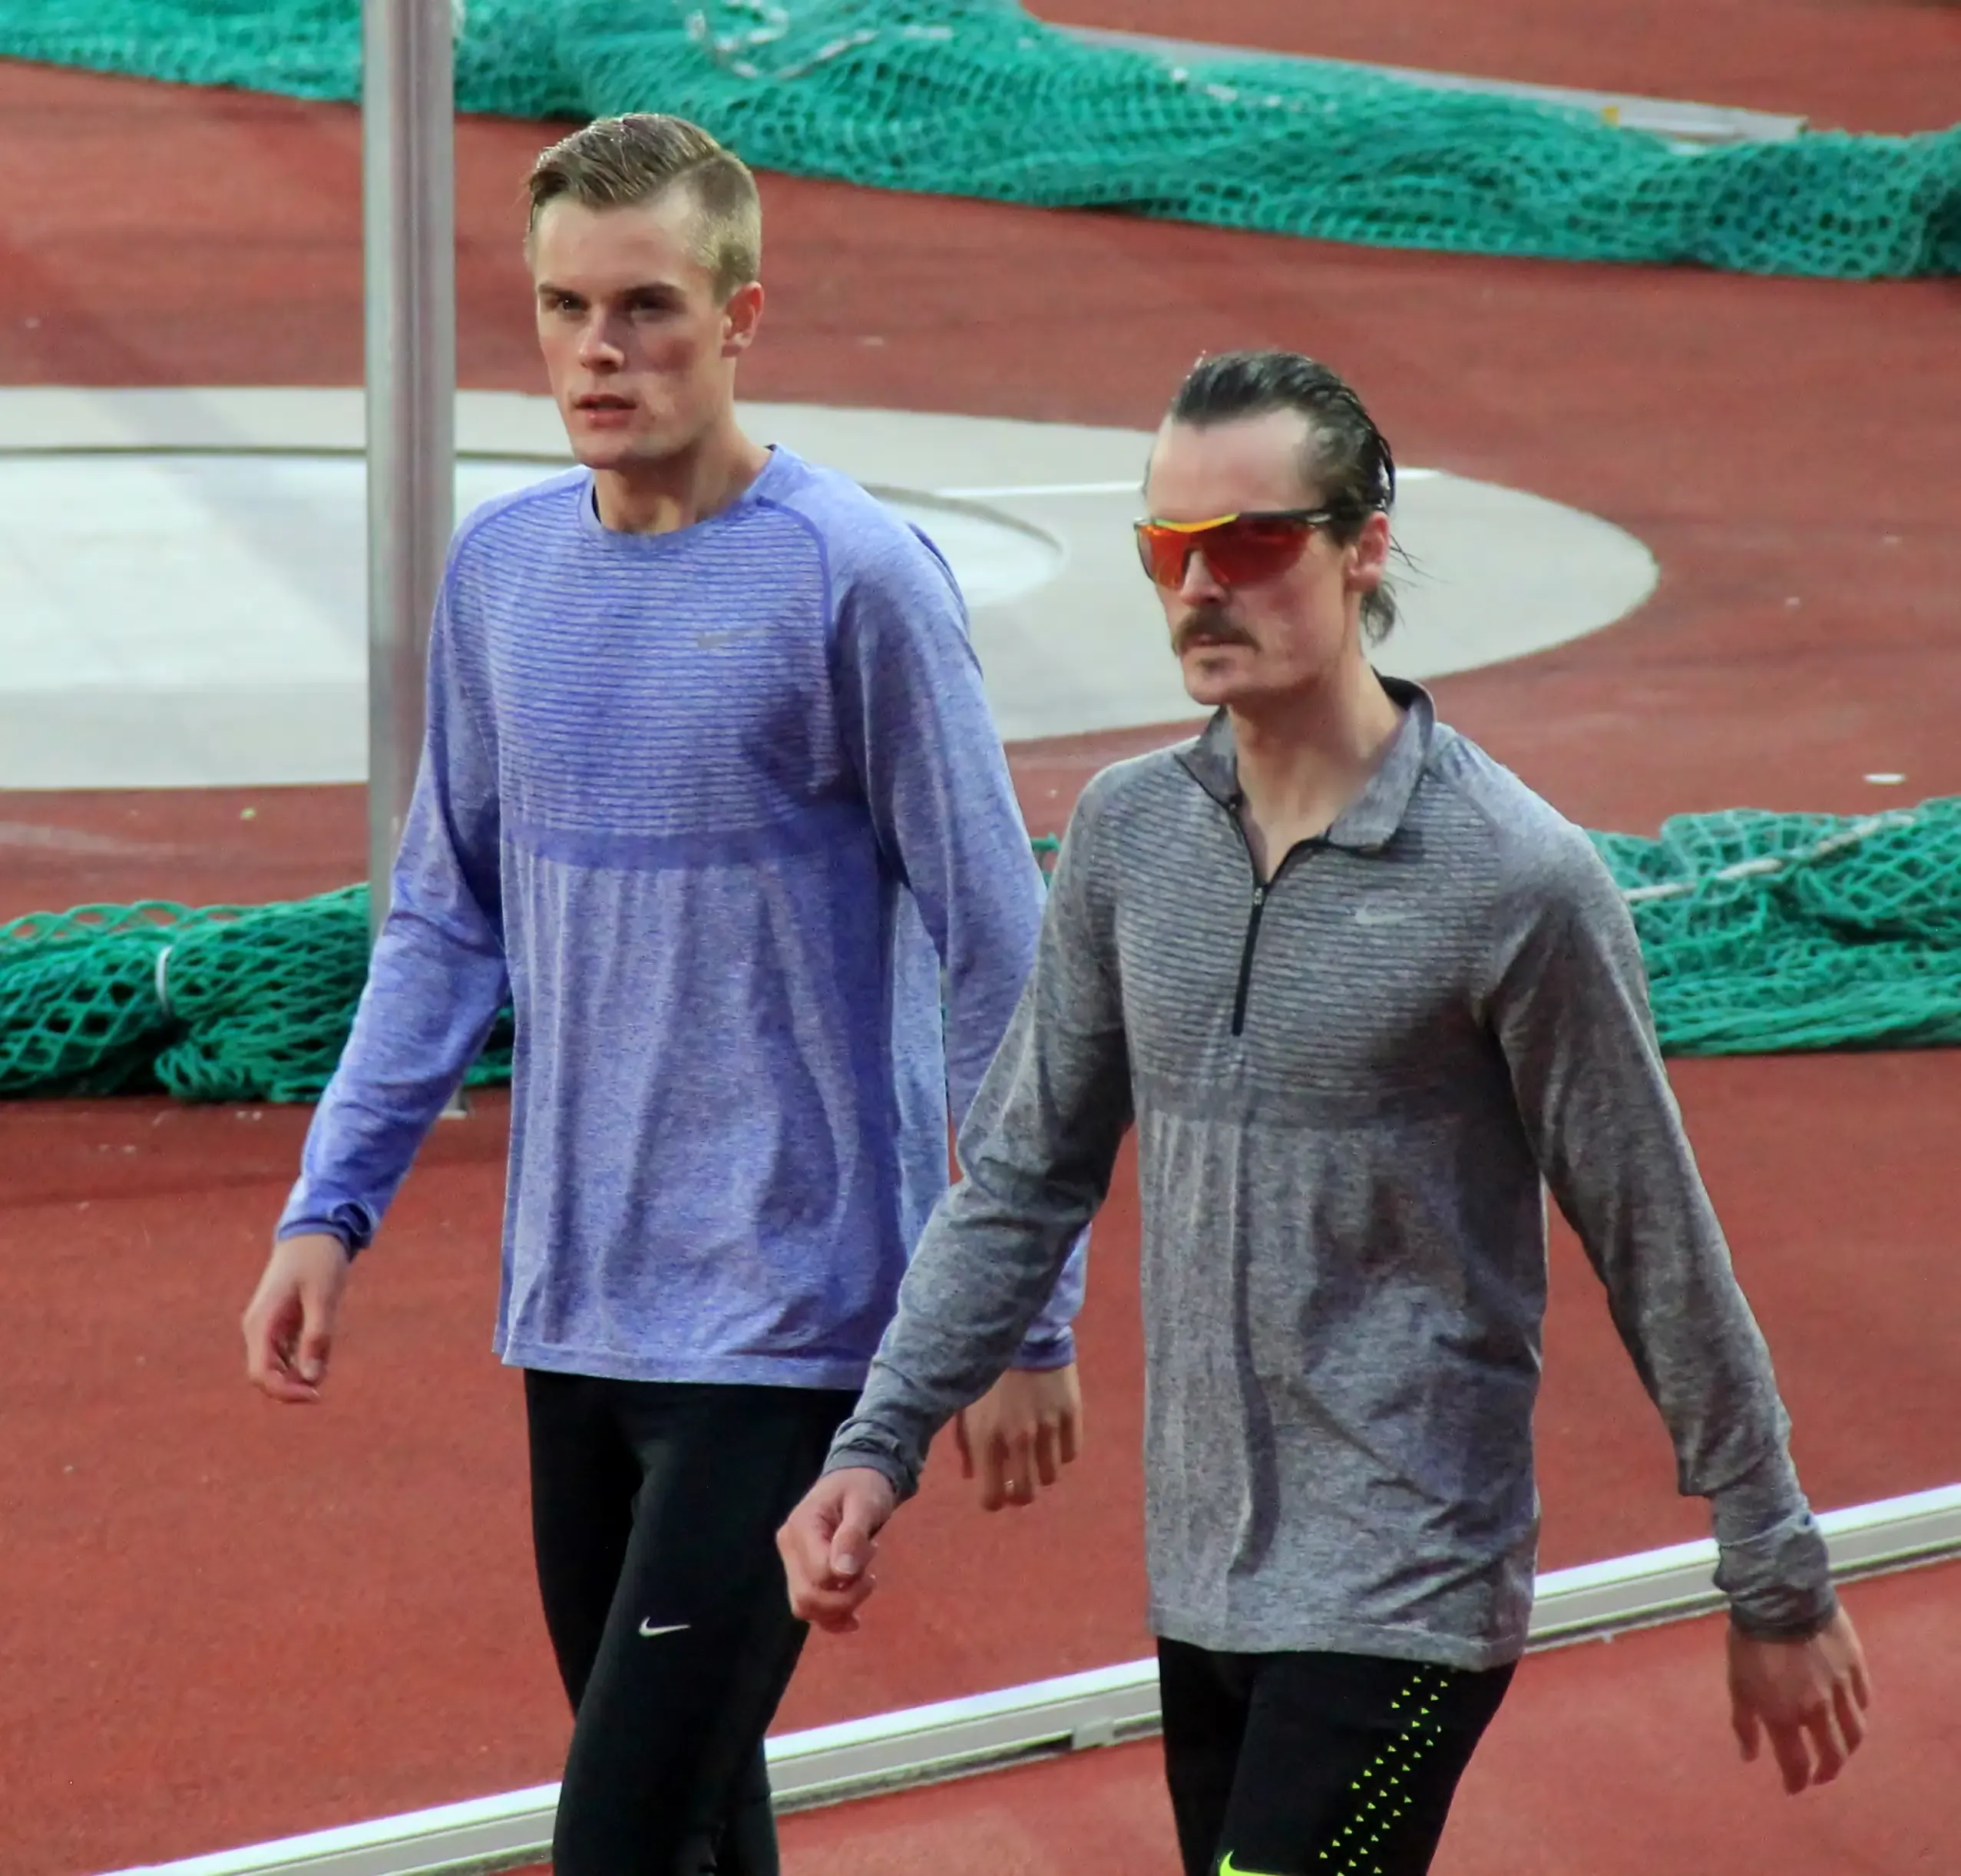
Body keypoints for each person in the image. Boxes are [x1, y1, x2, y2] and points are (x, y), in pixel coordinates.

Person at [778, 349, 1872, 1876]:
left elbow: (1651, 1240)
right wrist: (873, 1445)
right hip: (1203, 1585)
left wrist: (1771, 1572)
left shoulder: (1513, 881)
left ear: (1364, 547)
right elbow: (1023, 1177)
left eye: (1248, 544)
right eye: (1167, 551)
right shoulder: (1124, 838)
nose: (1197, 590)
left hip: (1407, 1589)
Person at [239, 113, 1088, 1876]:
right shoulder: (502, 573)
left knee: (614, 1844)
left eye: (643, 308)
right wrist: (331, 1205)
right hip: (571, 1309)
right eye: (563, 311)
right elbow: (440, 919)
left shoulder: (851, 581)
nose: (596, 353)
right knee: (697, 1832)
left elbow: (1001, 952)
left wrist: (1029, 1311)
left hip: (786, 1321)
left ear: (741, 314)